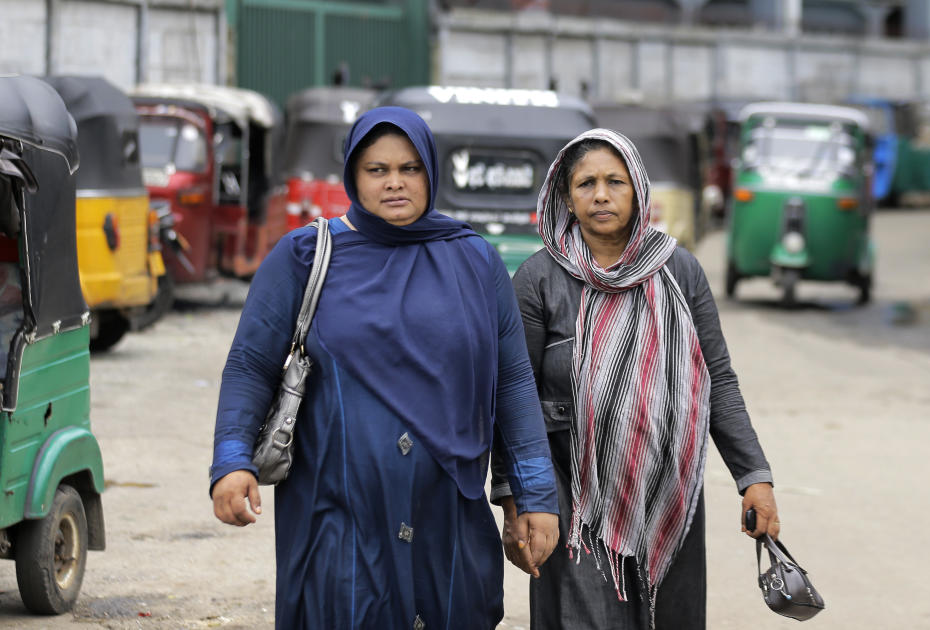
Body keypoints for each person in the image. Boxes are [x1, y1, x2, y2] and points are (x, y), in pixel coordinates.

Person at [209, 107, 560, 629]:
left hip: (448, 511)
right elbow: (250, 365)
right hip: (340, 510)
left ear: (431, 173)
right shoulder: (305, 256)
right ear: (353, 173)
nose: (395, 183)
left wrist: (533, 495)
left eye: (411, 168)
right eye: (377, 170)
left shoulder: (475, 261)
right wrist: (232, 460)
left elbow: (510, 382)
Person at [491, 128, 779, 629]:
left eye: (615, 182)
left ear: (638, 189)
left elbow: (719, 382)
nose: (601, 195)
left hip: (668, 494)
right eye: (586, 184)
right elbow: (513, 396)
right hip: (574, 498)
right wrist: (515, 499)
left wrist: (753, 476)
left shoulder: (680, 272)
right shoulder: (540, 279)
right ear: (566, 196)